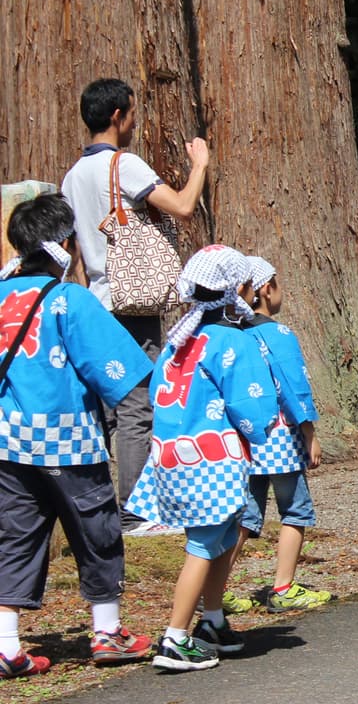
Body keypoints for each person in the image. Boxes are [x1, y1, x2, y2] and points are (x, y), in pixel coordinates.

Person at [0, 195, 157, 679]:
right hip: (69, 443)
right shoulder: (69, 300)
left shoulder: (2, 297)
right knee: (97, 533)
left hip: (7, 444)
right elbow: (120, 372)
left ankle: (6, 645)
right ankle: (107, 632)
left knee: (13, 539)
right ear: (64, 243)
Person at [60, 77, 210, 535]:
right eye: (131, 112)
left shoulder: (72, 176)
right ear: (116, 117)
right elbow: (183, 206)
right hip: (133, 303)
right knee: (138, 405)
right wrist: (199, 164)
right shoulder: (122, 165)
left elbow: (78, 253)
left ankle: (110, 507)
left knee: (110, 408)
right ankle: (136, 511)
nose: (133, 121)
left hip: (97, 302)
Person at [124, 247, 279, 671]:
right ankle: (175, 638)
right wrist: (261, 433)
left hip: (174, 454)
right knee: (205, 544)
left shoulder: (180, 340)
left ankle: (212, 621)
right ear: (238, 290)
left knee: (222, 538)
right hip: (213, 458)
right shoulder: (232, 340)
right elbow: (253, 404)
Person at [224, 257, 331, 615]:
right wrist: (310, 432)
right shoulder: (278, 334)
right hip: (281, 437)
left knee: (247, 514)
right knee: (295, 510)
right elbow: (293, 387)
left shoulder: (230, 335)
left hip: (243, 439)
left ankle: (217, 587)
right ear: (266, 289)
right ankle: (283, 586)